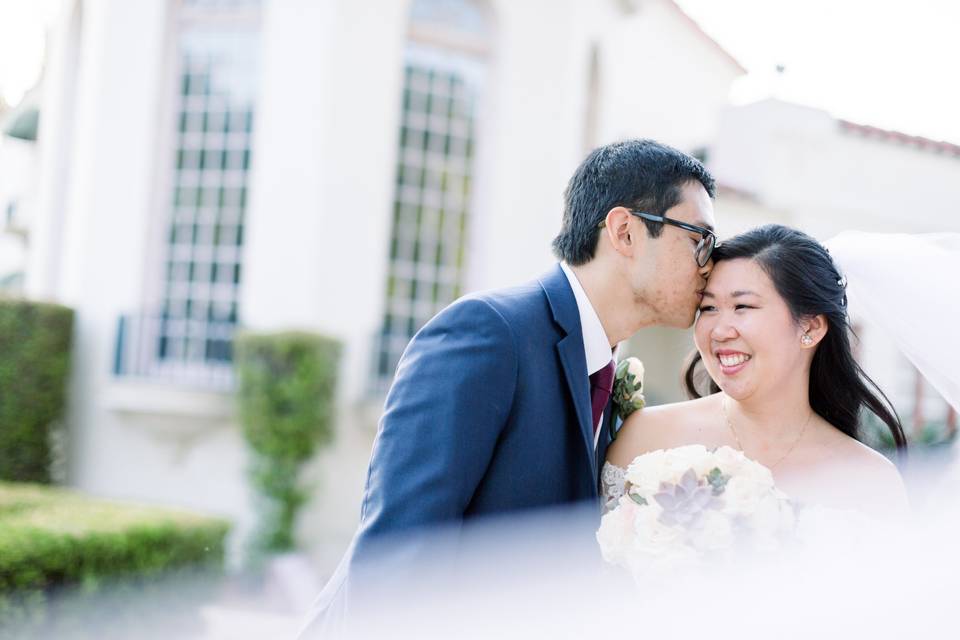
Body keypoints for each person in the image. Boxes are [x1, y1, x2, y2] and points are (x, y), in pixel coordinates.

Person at [298, 139, 719, 636]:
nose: (708, 262)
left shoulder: (608, 374)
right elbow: (399, 555)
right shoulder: (488, 332)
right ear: (625, 232)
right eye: (700, 239)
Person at [605, 224, 909, 518]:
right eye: (709, 308)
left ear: (811, 327)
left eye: (743, 307)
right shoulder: (648, 436)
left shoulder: (871, 479)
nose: (720, 331)